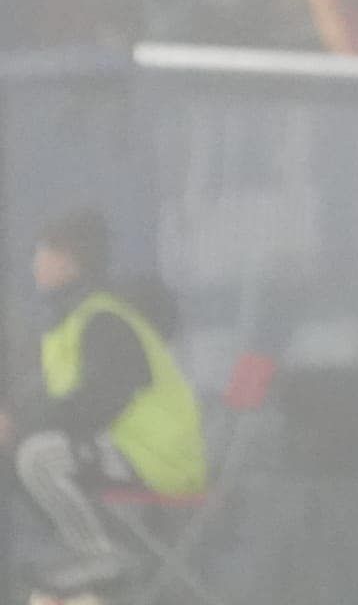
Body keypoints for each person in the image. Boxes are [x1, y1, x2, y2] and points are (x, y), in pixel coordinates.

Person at [0, 210, 206, 596]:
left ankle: (99, 554)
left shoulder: (104, 322)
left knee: (38, 454)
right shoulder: (73, 321)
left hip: (155, 460)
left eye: (42, 252)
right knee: (18, 454)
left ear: (66, 259)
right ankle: (80, 557)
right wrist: (16, 417)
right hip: (123, 455)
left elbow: (96, 403)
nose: (36, 263)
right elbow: (53, 395)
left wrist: (22, 425)